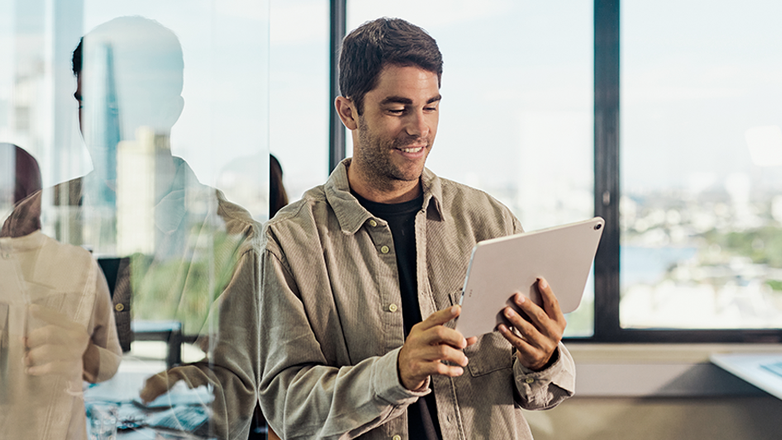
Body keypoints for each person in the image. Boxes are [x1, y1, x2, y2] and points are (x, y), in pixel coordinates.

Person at [258, 17, 575, 439]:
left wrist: (543, 359)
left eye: (430, 106)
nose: (419, 128)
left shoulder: (490, 221)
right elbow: (287, 409)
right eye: (397, 108)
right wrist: (398, 372)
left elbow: (537, 392)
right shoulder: (289, 243)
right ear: (348, 111)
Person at [53, 16, 263, 438]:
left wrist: (162, 391)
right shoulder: (38, 219)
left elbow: (245, 392)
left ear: (171, 108)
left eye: (118, 106)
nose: (99, 125)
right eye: (87, 105)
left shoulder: (235, 239)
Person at [0, 143, 122, 440]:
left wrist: (79, 350)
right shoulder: (80, 263)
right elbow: (109, 365)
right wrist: (83, 353)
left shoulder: (80, 265)